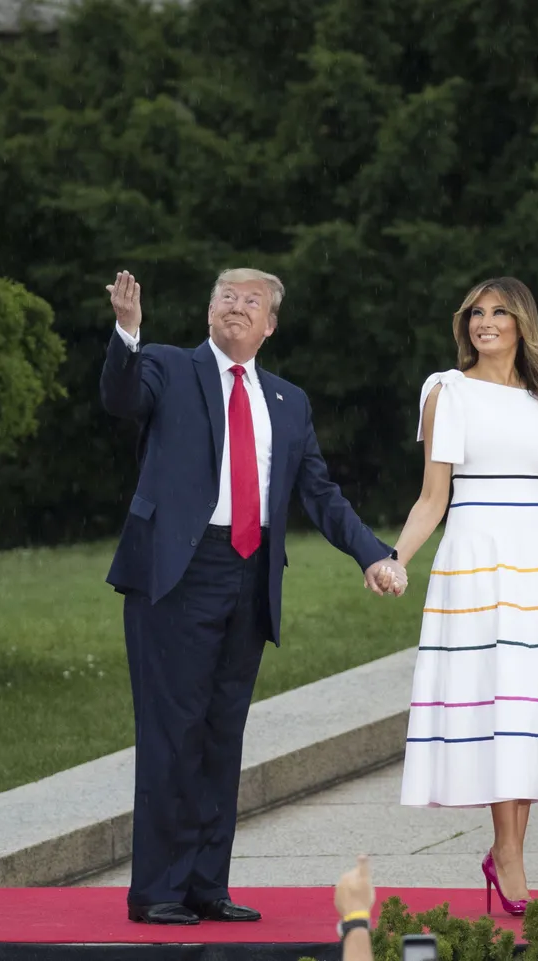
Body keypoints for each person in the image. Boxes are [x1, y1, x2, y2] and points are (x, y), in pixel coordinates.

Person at [101, 268, 408, 925]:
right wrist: (127, 332)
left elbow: (319, 491)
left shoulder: (287, 401)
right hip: (177, 573)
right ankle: (157, 890)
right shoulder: (167, 366)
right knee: (172, 733)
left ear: (270, 324)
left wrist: (373, 553)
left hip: (250, 575)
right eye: (226, 296)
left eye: (252, 300)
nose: (236, 306)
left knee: (222, 736)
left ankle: (206, 885)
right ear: (209, 310)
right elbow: (121, 398)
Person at [387, 277, 538, 916]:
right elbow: (432, 497)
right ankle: (510, 857)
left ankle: (508, 853)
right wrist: (394, 559)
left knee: (527, 705)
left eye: (500, 312)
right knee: (497, 705)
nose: (486, 322)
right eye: (477, 312)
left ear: (523, 323)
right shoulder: (446, 391)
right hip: (474, 559)